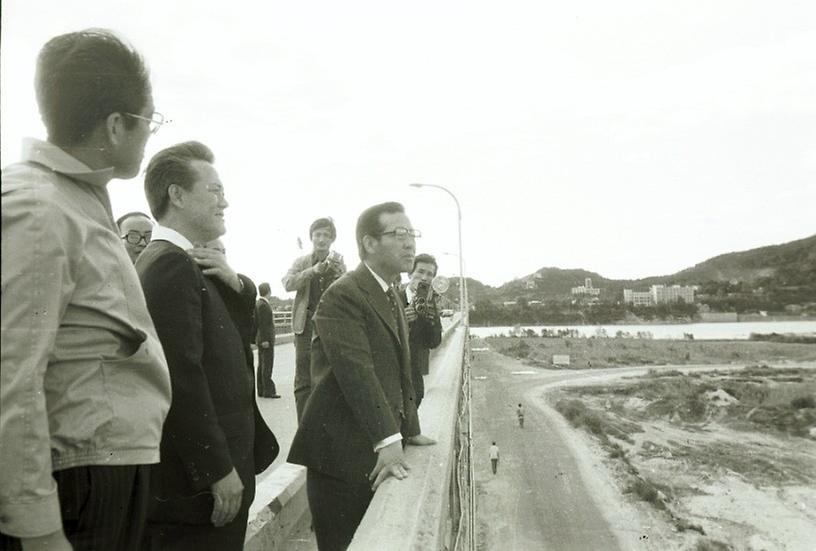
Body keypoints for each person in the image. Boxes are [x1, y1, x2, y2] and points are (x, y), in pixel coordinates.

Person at [1, 29, 172, 551]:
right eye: (149, 121)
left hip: (101, 466)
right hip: (81, 479)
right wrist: (38, 526)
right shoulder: (39, 207)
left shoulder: (75, 199)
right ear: (117, 125)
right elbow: (11, 374)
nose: (149, 134)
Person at [137, 141, 277, 549]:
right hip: (199, 495)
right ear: (176, 195)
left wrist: (236, 285)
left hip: (202, 488)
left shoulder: (183, 261)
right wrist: (217, 470)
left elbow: (225, 341)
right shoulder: (170, 264)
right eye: (214, 191)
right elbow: (180, 378)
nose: (225, 202)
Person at [288, 202, 433, 550]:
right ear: (368, 243)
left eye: (412, 234)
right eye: (399, 234)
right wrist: (388, 439)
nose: (410, 243)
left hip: (367, 450)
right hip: (340, 459)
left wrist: (409, 429)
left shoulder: (390, 292)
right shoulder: (345, 293)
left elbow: (401, 369)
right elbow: (357, 371)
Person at [282, 217, 346, 421]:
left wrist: (338, 273)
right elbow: (287, 283)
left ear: (332, 239)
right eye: (318, 234)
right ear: (311, 237)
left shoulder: (339, 262)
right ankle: (303, 427)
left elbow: (346, 291)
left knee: (328, 377)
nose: (321, 239)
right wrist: (313, 271)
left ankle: (322, 427)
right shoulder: (301, 262)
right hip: (305, 327)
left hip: (329, 326)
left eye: (326, 235)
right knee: (303, 380)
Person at [402, 253, 443, 408]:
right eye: (420, 272)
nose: (424, 278)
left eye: (430, 274)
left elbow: (434, 342)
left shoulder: (430, 303)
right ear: (410, 273)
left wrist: (430, 318)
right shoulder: (392, 297)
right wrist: (400, 321)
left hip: (414, 379)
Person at [255, 282, 281, 398]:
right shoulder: (264, 305)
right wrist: (266, 340)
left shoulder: (258, 303)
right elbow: (264, 324)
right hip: (266, 340)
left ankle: (261, 390)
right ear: (269, 291)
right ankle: (268, 391)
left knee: (262, 364)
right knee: (267, 364)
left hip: (260, 339)